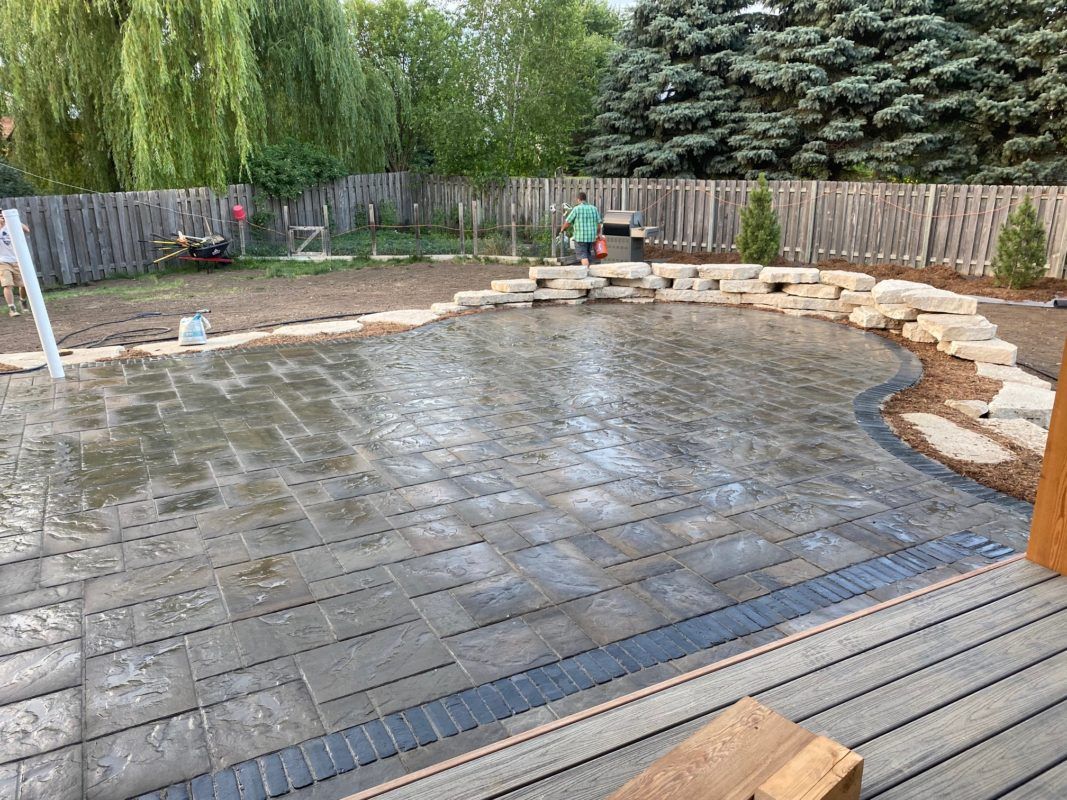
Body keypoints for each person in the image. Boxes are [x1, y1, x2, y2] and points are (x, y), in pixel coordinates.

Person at [560, 191, 602, 267]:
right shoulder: (594, 209)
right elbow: (599, 224)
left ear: (578, 199)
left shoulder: (576, 209)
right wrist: (598, 233)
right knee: (588, 255)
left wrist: (562, 229)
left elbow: (568, 222)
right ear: (585, 199)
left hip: (580, 238)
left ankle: (586, 271)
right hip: (591, 237)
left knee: (583, 256)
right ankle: (590, 270)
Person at [0, 217, 30, 318]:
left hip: (17, 260)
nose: (2, 217)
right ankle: (12, 309)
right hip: (2, 262)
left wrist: (14, 220)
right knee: (7, 285)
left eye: (2, 215)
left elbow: (27, 230)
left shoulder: (11, 225)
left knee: (24, 285)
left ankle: (23, 301)